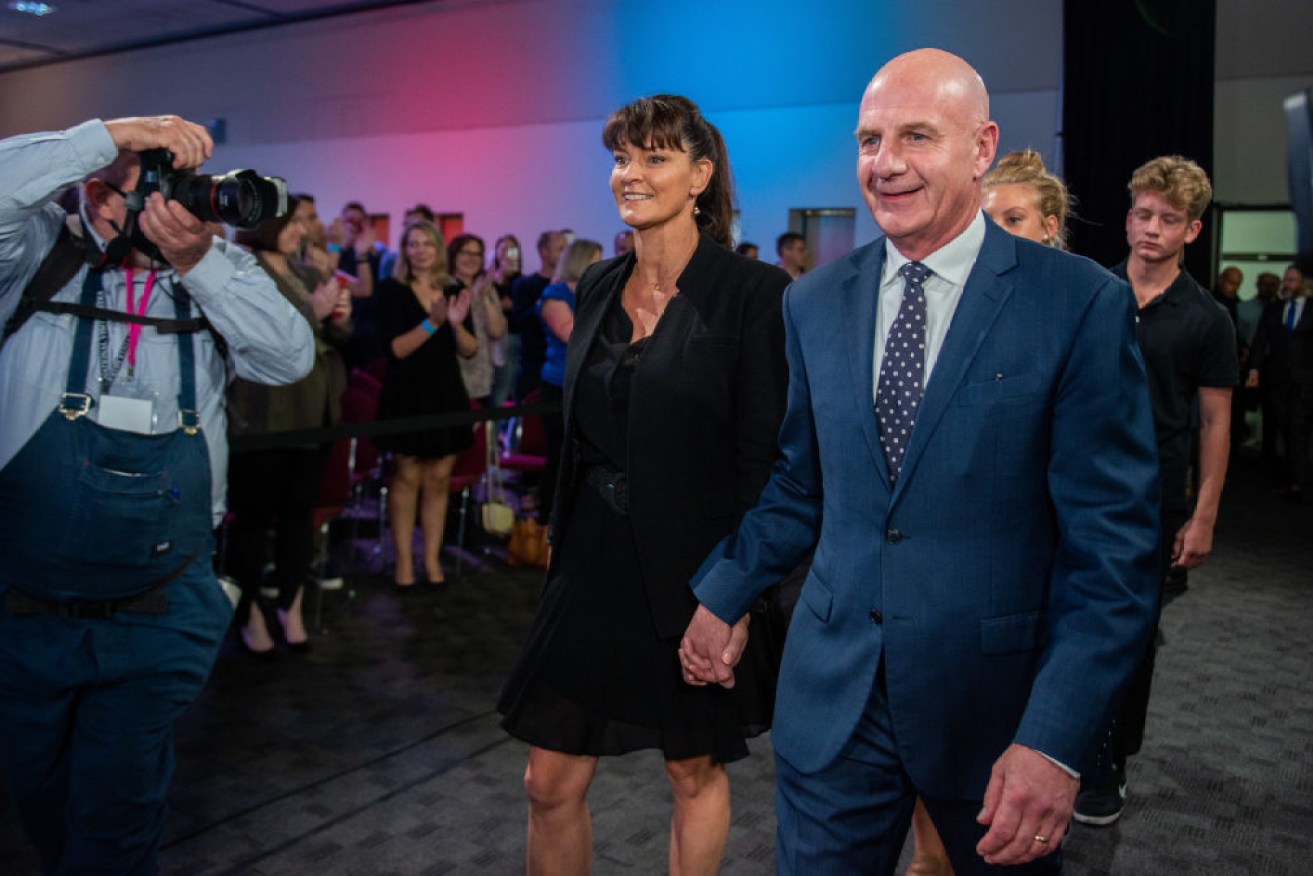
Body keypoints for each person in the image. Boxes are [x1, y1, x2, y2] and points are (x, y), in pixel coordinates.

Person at [681, 49, 1161, 874]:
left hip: (993, 716)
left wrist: (1053, 739)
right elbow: (802, 481)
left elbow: (1111, 553)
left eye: (915, 136)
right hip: (833, 700)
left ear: (981, 147)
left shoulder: (1076, 303)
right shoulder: (812, 301)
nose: (885, 163)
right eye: (869, 140)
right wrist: (724, 593)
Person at [0, 115, 313, 873]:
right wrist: (106, 137)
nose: (142, 201)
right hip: (23, 613)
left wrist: (201, 259)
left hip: (156, 611)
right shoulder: (34, 256)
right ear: (91, 183)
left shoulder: (208, 277)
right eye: (128, 182)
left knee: (118, 814)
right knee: (39, 798)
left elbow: (288, 358)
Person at [498, 94, 791, 876]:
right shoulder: (596, 283)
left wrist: (732, 599)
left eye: (653, 157)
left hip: (696, 568)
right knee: (546, 780)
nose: (629, 173)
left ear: (699, 176)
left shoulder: (753, 296)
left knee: (691, 771)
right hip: (593, 558)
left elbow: (764, 464)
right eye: (622, 157)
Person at [1072, 156, 1238, 827]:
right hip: (1078, 489)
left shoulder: (1206, 318)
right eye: (1142, 214)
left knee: (1131, 637)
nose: (1150, 229)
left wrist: (1202, 518)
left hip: (1155, 500)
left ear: (1191, 231)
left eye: (1167, 220)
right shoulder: (1090, 294)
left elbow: (1214, 420)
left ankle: (1107, 764)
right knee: (1067, 625)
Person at [226, 196, 352, 655]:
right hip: (263, 416)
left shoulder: (306, 273)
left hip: (312, 412)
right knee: (253, 522)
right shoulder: (243, 271)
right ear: (267, 225)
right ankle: (250, 612)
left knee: (300, 519)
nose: (303, 230)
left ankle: (291, 606)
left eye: (304, 221)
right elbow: (254, 336)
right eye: (294, 221)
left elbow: (335, 335)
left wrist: (340, 319)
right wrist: (314, 314)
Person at [373, 220, 476, 589]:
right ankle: (404, 565)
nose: (420, 250)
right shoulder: (390, 291)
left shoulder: (453, 289)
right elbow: (396, 349)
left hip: (446, 393)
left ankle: (432, 563)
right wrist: (432, 324)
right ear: (404, 251)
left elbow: (470, 349)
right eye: (412, 244)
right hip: (406, 396)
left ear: (437, 249)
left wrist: (456, 324)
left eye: (426, 244)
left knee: (438, 480)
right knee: (407, 478)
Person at [534, 237, 603, 524]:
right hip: (559, 385)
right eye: (597, 260)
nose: (603, 265)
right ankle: (547, 521)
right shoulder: (556, 294)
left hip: (590, 384)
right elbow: (571, 334)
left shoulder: (599, 292)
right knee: (561, 457)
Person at [1247, 264, 1313, 497]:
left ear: (1303, 283)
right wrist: (1254, 369)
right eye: (1286, 280)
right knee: (1281, 426)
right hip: (1277, 379)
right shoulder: (1275, 310)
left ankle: (1298, 480)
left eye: (1292, 280)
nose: (1287, 284)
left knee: (1298, 427)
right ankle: (1288, 476)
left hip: (1305, 381)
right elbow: (1260, 339)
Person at [447, 232, 507, 408]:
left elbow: (496, 332)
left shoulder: (486, 286)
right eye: (466, 253)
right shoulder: (445, 286)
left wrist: (486, 297)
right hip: (451, 376)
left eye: (477, 254)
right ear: (454, 255)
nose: (472, 258)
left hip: (481, 376)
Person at [511, 229, 567, 401]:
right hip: (534, 364)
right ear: (544, 251)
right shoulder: (524, 285)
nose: (565, 254)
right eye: (560, 249)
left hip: (562, 366)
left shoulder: (569, 287)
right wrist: (544, 303)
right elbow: (519, 322)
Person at [981, 149, 1071, 249]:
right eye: (986, 221)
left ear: (1048, 227)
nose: (993, 233)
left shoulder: (1082, 265)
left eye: (1013, 220)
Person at [489, 233, 523, 408]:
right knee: (499, 389)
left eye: (512, 250)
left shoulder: (521, 281)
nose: (507, 254)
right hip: (497, 340)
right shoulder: (490, 280)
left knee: (515, 388)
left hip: (517, 339)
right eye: (503, 249)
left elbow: (514, 306)